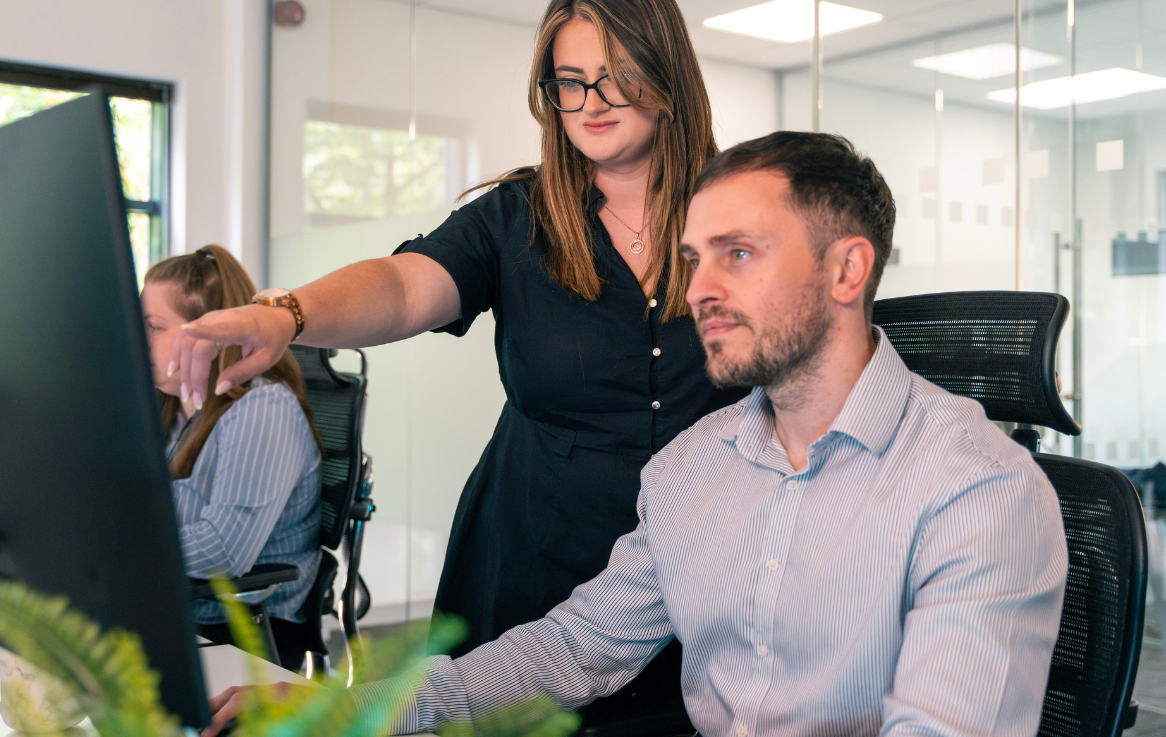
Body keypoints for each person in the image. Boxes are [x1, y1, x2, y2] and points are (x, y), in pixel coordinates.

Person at [206, 132, 1069, 736]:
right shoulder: (696, 467)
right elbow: (574, 647)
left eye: (739, 253)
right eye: (693, 259)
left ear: (848, 267)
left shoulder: (976, 491)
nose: (697, 289)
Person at [171, 0, 744, 718]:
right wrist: (288, 313)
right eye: (570, 81)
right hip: (532, 566)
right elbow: (406, 285)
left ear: (667, 75)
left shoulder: (742, 209)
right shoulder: (516, 220)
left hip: (702, 577)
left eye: (616, 75)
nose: (591, 101)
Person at [142, 245, 323, 672]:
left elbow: (224, 550)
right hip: (187, 614)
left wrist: (120, 545)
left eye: (152, 326)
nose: (137, 338)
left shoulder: (263, 411)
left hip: (244, 635)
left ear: (210, 335)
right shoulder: (182, 408)